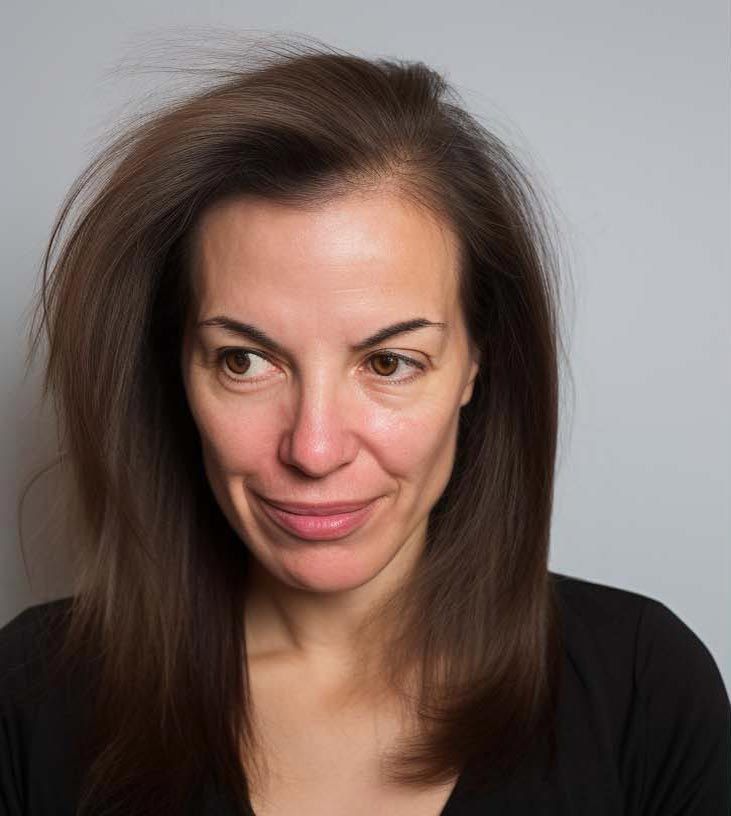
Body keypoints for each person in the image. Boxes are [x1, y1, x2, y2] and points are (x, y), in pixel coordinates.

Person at [1, 35, 729, 816]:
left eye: (388, 364)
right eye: (245, 361)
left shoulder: (642, 688)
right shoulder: (31, 694)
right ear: (175, 366)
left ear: (476, 363)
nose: (314, 449)